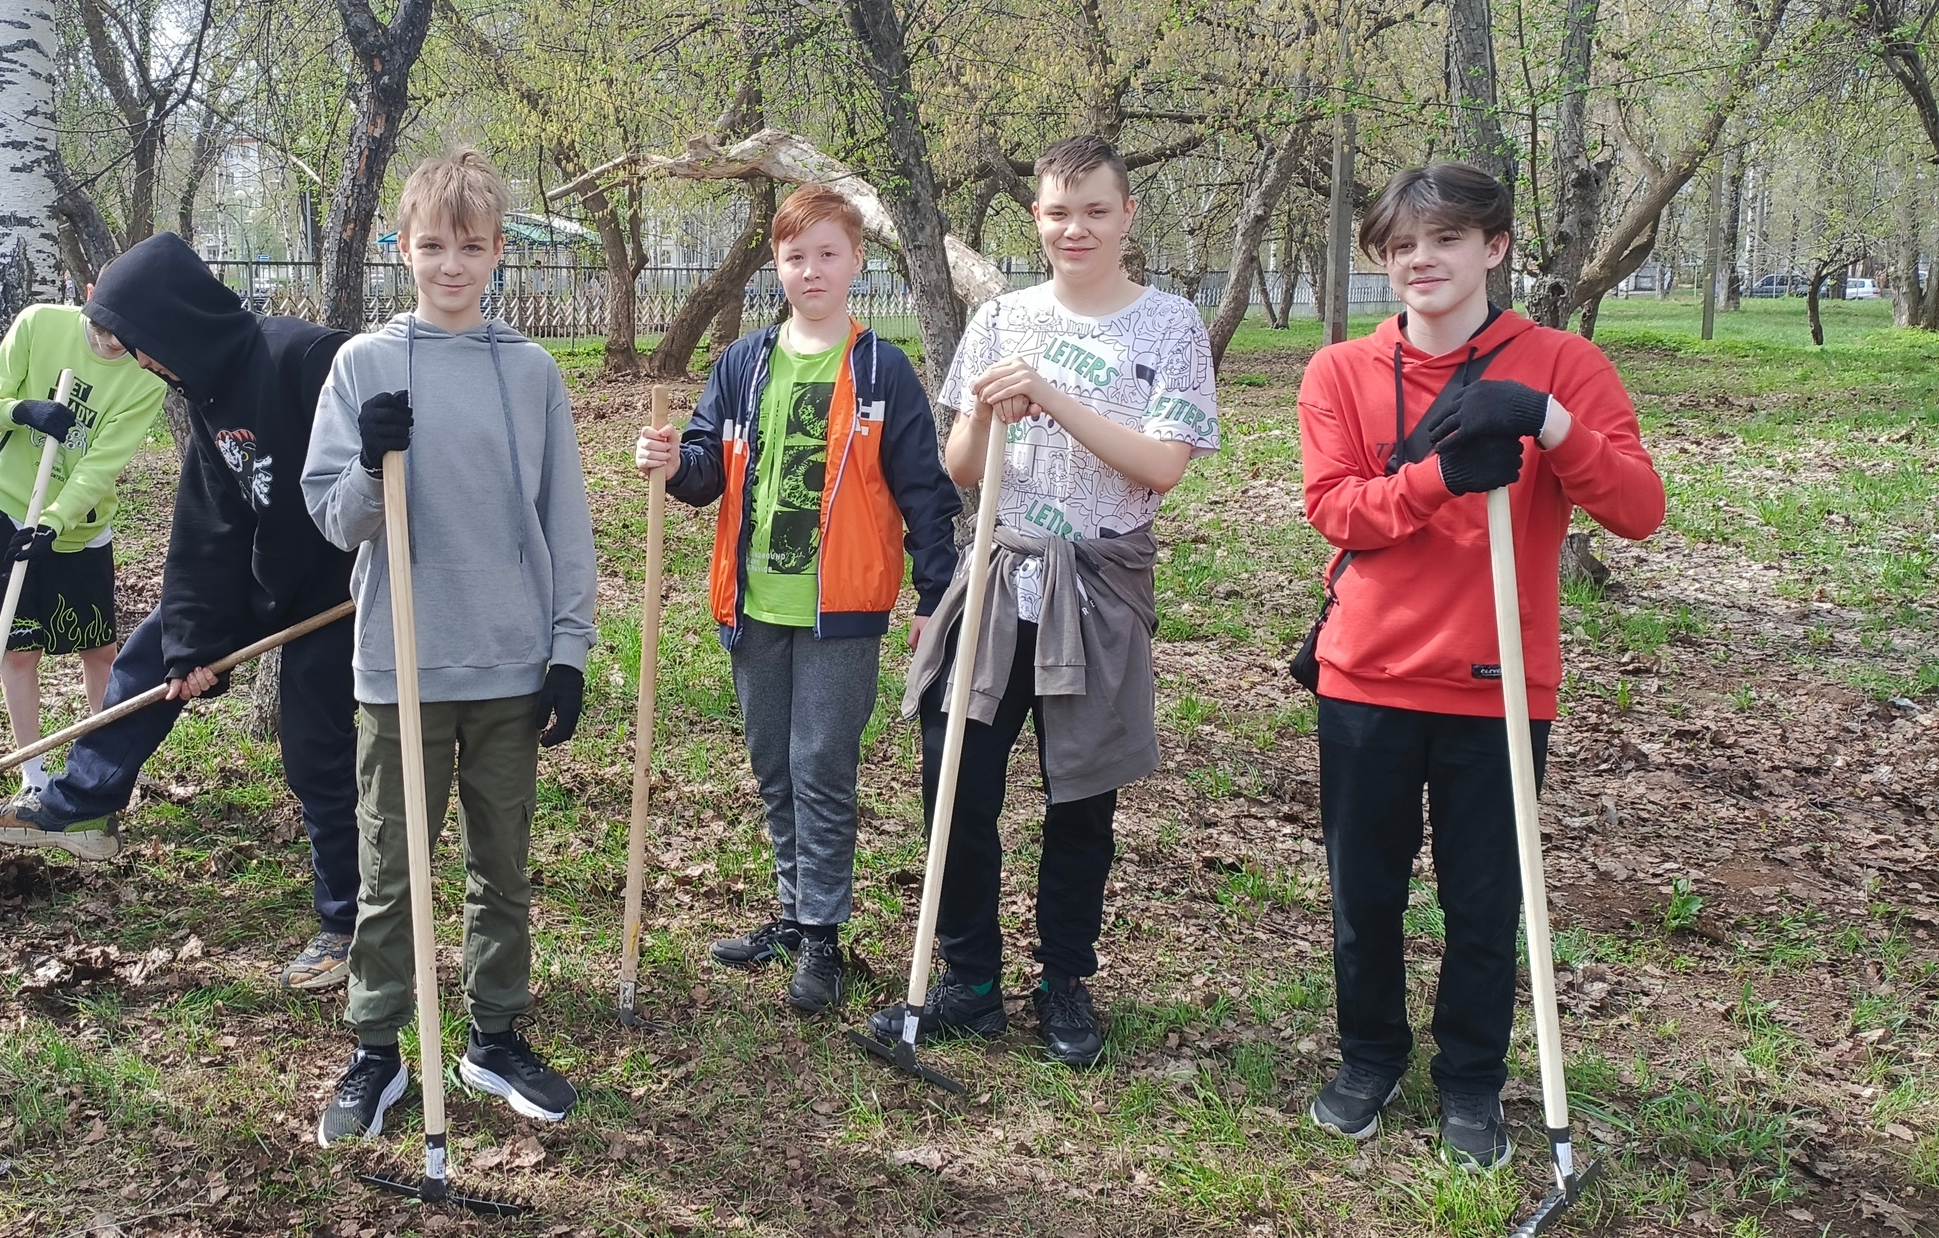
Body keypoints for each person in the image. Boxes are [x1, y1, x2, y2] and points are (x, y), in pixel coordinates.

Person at [1296, 163, 1663, 1168]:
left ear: (1493, 249)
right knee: (1362, 890)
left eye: (1445, 240)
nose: (1422, 261)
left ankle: (1470, 1082)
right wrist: (1434, 479)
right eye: (1401, 246)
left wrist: (1549, 426)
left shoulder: (1563, 364)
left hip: (1498, 679)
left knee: (1485, 898)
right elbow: (1331, 508)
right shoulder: (1337, 371)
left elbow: (1636, 509)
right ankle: (1367, 1057)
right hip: (1364, 675)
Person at [868, 135, 1220, 1067]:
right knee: (958, 780)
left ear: (1127, 216)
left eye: (1096, 211)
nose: (1077, 228)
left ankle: (1064, 980)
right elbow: (962, 468)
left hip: (1098, 586)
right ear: (1037, 217)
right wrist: (986, 411)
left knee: (1081, 796)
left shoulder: (1171, 324)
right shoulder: (1001, 320)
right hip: (999, 574)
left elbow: (1163, 466)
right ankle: (970, 980)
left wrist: (1055, 397)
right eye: (1060, 212)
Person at [0, 233, 367, 994]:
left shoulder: (303, 357)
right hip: (275, 569)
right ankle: (81, 807)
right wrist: (194, 640)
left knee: (315, 750)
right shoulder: (210, 396)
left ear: (176, 323)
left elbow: (394, 445)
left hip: (348, 587)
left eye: (139, 345)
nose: (141, 363)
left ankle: (347, 923)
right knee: (153, 651)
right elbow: (212, 521)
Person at [302, 147, 597, 1145]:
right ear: (401, 247)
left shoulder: (533, 373)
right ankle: (377, 1049)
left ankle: (493, 1036)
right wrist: (370, 459)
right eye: (432, 245)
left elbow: (565, 521)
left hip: (510, 663)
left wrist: (569, 650)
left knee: (500, 867)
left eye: (470, 247)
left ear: (499, 253)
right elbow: (334, 520)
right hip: (401, 667)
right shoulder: (364, 367)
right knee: (392, 871)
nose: (450, 264)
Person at [633, 183, 958, 1013]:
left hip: (840, 611)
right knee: (774, 765)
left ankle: (823, 935)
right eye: (793, 255)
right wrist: (672, 464)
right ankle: (792, 908)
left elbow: (924, 490)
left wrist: (936, 591)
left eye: (827, 253)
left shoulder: (883, 369)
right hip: (753, 607)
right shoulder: (744, 364)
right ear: (775, 265)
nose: (810, 270)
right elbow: (708, 469)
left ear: (855, 261)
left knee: (822, 765)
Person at [0, 289, 168, 793]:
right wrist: (22, 411)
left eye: (129, 336)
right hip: (10, 507)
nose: (115, 344)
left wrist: (54, 521)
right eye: (106, 329)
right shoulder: (38, 323)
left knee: (100, 650)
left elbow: (101, 465)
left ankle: (101, 776)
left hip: (79, 528)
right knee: (18, 651)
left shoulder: (146, 376)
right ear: (92, 298)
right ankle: (32, 774)